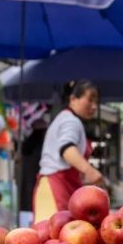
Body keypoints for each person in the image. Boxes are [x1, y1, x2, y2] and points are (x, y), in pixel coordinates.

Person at [33, 80, 104, 222]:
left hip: (63, 186)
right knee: (50, 237)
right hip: (56, 187)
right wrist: (89, 171)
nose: (94, 106)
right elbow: (67, 149)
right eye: (90, 100)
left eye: (96, 102)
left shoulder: (66, 119)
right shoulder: (70, 121)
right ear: (73, 98)